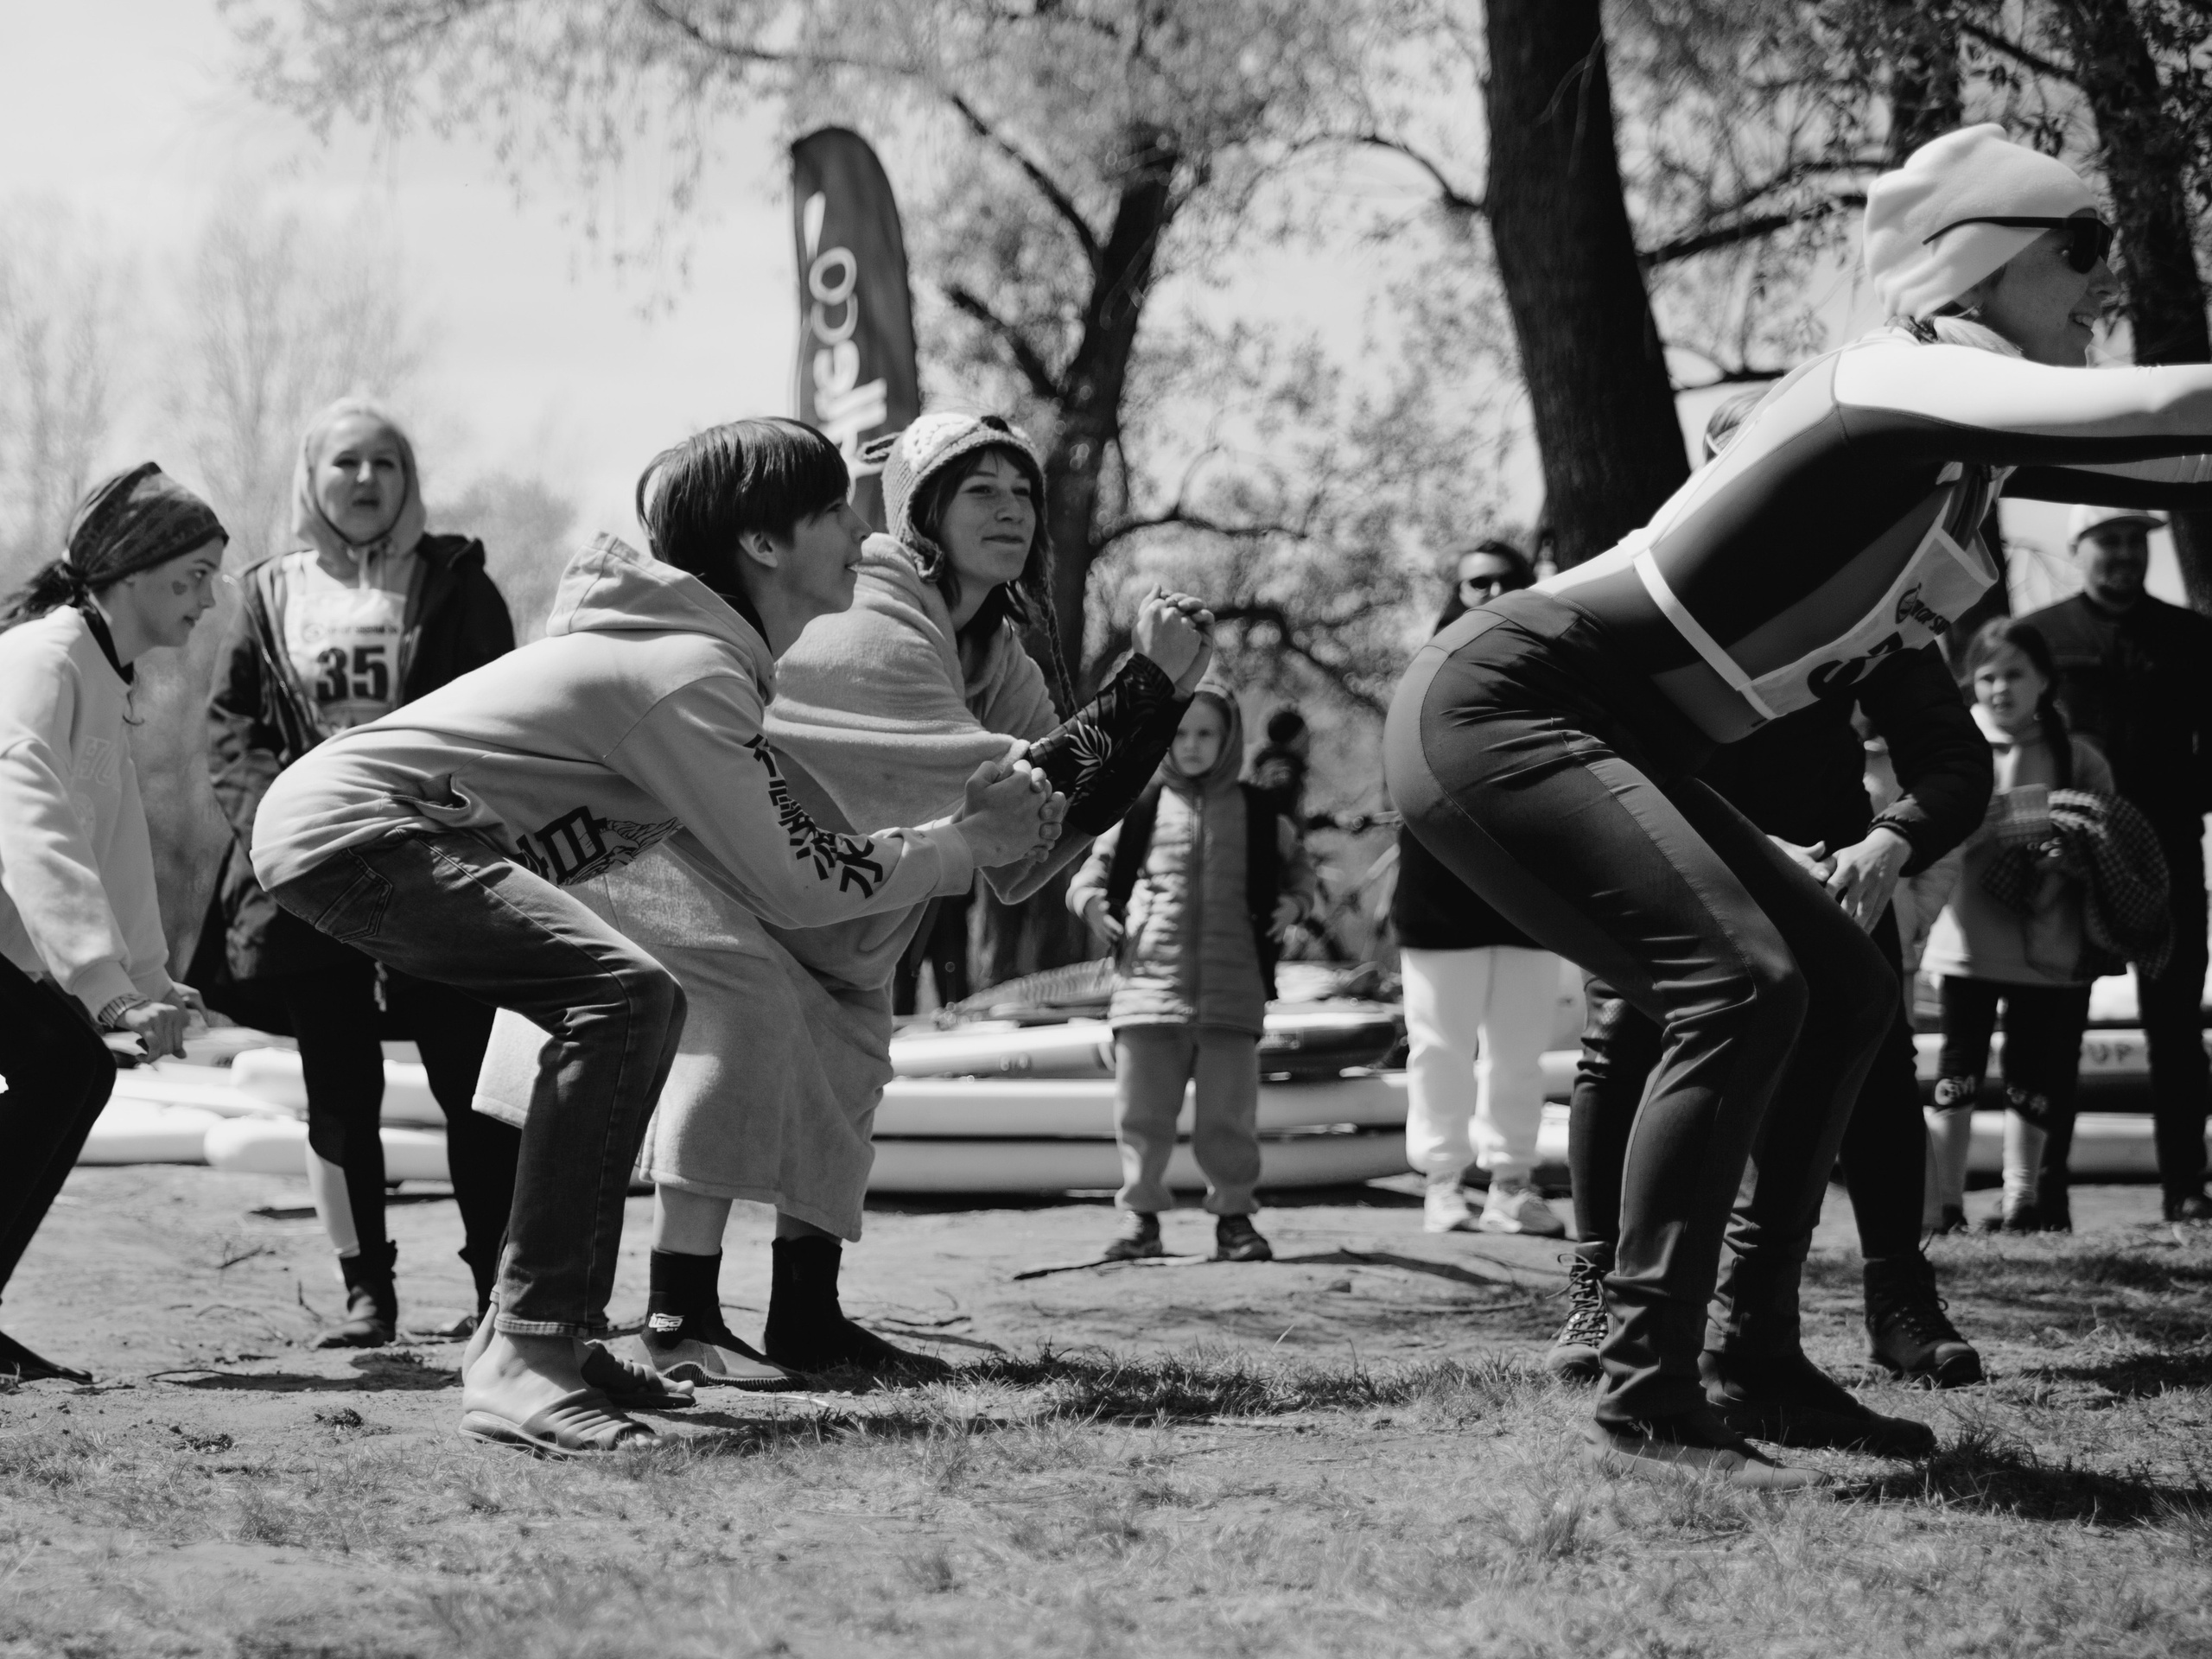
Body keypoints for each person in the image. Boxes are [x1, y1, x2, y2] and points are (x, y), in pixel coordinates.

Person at [1383, 123, 2212, 1489]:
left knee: (1841, 981)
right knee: (1746, 984)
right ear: (1984, 260)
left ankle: (1752, 1355)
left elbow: (2168, 460)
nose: (2097, 295)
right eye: (2079, 258)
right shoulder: (1889, 377)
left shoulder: (1956, 432)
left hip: (1594, 726)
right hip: (1501, 707)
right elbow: (2143, 418)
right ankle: (1645, 1374)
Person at [249, 416, 1064, 1453]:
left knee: (630, 995)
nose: (861, 534)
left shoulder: (709, 668)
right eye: (828, 512)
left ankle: (563, 1335)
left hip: (359, 832)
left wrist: (956, 837)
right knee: (624, 995)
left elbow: (786, 856)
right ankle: (525, 1350)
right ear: (763, 547)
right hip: (352, 830)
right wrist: (962, 844)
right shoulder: (686, 674)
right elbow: (801, 881)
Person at [483, 410, 1211, 1389]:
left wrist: (1154, 701)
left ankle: (806, 1315)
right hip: (670, 860)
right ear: (919, 511)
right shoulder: (875, 612)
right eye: (980, 490)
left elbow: (1050, 809)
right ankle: (677, 1312)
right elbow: (1029, 778)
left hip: (813, 897)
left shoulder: (996, 657)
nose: (1013, 510)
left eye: (1024, 491)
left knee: (851, 1051)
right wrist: (1148, 684)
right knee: (739, 1017)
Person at [1553, 401, 1993, 1389]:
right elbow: (1591, 746)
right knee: (1619, 1042)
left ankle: (1897, 1297)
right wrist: (1740, 847)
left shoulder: (1873, 592)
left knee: (1875, 1043)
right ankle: (1598, 1286)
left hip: (1834, 870)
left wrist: (1892, 839)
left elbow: (1955, 762)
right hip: (1668, 853)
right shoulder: (1646, 579)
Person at [198, 399, 519, 1344]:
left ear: (410, 481)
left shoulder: (459, 584)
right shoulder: (266, 593)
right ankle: (365, 1297)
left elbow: (499, 709)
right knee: (338, 1089)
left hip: (436, 868)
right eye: (346, 462)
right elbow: (232, 731)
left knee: (473, 1084)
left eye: (387, 462)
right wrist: (283, 830)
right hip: (308, 879)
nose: (367, 479)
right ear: (314, 478)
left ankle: (495, 1293)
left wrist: (454, 807)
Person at [0, 465, 225, 1382]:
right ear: (131, 575)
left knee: (71, 1068)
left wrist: (144, 982)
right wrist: (103, 985)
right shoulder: (43, 661)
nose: (208, 601)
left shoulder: (102, 673)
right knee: (64, 1065)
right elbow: (31, 816)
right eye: (193, 576)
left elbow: (118, 837)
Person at [1070, 675, 1317, 1262]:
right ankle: (1140, 1219)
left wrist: (1294, 904)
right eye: (1179, 733)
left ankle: (1234, 1216)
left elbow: (1300, 875)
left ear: (1230, 738)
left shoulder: (1262, 815)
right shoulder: (1140, 811)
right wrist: (1094, 906)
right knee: (1141, 1116)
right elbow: (1087, 878)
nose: (1192, 745)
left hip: (1234, 991)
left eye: (1207, 733)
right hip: (1146, 991)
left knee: (1228, 1119)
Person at [2020, 507, 2212, 1223]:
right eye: (2110, 542)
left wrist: (2171, 804)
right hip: (2069, 863)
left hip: (2168, 857)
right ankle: (2045, 1194)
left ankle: (2186, 1188)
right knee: (2056, 1030)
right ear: (2080, 549)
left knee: (2173, 1027)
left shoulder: (2194, 636)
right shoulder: (2040, 634)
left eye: (2136, 541)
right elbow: (2013, 740)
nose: (2125, 554)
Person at [1922, 620, 2126, 1233]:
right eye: (1987, 676)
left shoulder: (2078, 757)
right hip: (1963, 946)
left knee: (2033, 1076)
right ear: (1970, 683)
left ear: (2044, 680)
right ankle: (1945, 1204)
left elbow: (2111, 843)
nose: (2000, 688)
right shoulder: (1952, 750)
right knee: (1956, 1073)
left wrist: (2075, 857)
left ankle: (2022, 1203)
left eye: (2014, 674)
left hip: (2050, 949)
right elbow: (1918, 836)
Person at [1389, 541, 1568, 1237]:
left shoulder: (1555, 676)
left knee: (1519, 1052)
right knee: (1439, 1046)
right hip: (1439, 890)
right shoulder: (1426, 674)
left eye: (1503, 581)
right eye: (1473, 583)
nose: (1488, 592)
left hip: (1529, 888)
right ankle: (1442, 1184)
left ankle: (1511, 1184)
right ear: (1454, 592)